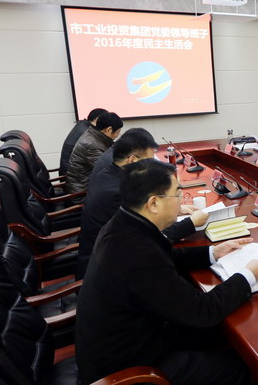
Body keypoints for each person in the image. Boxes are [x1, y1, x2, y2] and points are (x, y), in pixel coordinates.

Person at [75, 159, 258, 385]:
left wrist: (213, 253)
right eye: (177, 193)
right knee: (230, 367)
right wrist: (249, 275)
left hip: (127, 344)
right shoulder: (135, 253)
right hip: (123, 378)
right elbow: (203, 312)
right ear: (154, 203)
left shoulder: (125, 225)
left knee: (214, 337)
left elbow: (164, 257)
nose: (182, 199)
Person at [75, 128, 208, 280]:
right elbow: (152, 237)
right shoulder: (118, 192)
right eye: (149, 161)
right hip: (108, 274)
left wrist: (176, 208)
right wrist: (191, 223)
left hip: (108, 259)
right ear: (132, 160)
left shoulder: (109, 174)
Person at [65, 111, 123, 200]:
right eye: (118, 132)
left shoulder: (93, 134)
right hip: (82, 194)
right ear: (109, 130)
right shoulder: (92, 145)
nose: (118, 135)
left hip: (87, 185)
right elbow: (108, 171)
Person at [60, 107, 107, 176]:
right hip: (74, 175)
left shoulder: (83, 126)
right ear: (97, 119)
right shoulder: (87, 132)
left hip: (73, 171)